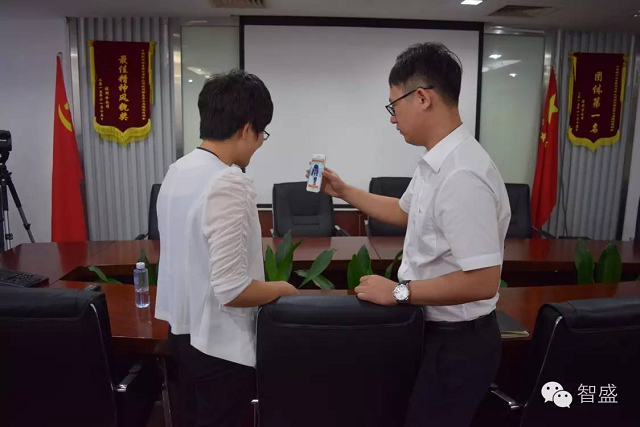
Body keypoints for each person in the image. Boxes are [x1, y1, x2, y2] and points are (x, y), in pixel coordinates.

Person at [314, 43, 511, 426]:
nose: (392, 118)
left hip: (458, 341)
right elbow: (404, 212)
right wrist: (344, 191)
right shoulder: (437, 162)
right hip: (434, 330)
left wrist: (399, 292)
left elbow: (483, 281)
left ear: (422, 98)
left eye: (394, 105)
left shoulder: (462, 174)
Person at [155, 70, 298, 427]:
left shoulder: (177, 170)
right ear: (247, 129)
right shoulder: (228, 182)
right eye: (262, 133)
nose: (261, 143)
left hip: (182, 335)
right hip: (218, 348)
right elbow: (233, 289)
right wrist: (285, 289)